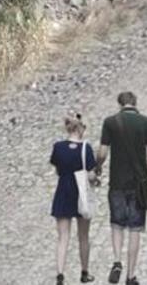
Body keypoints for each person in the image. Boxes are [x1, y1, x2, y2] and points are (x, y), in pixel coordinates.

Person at [95, 92, 147, 285]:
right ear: (135, 103)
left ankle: (117, 261)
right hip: (139, 184)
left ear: (120, 105)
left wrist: (98, 165)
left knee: (117, 224)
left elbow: (102, 152)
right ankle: (131, 276)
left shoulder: (110, 122)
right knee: (135, 229)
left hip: (117, 182)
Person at [51, 114, 98, 284]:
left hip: (63, 192)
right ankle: (84, 273)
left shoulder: (58, 147)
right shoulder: (86, 148)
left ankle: (60, 275)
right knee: (83, 236)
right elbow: (91, 175)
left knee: (63, 236)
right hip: (81, 195)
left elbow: (58, 170)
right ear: (79, 128)